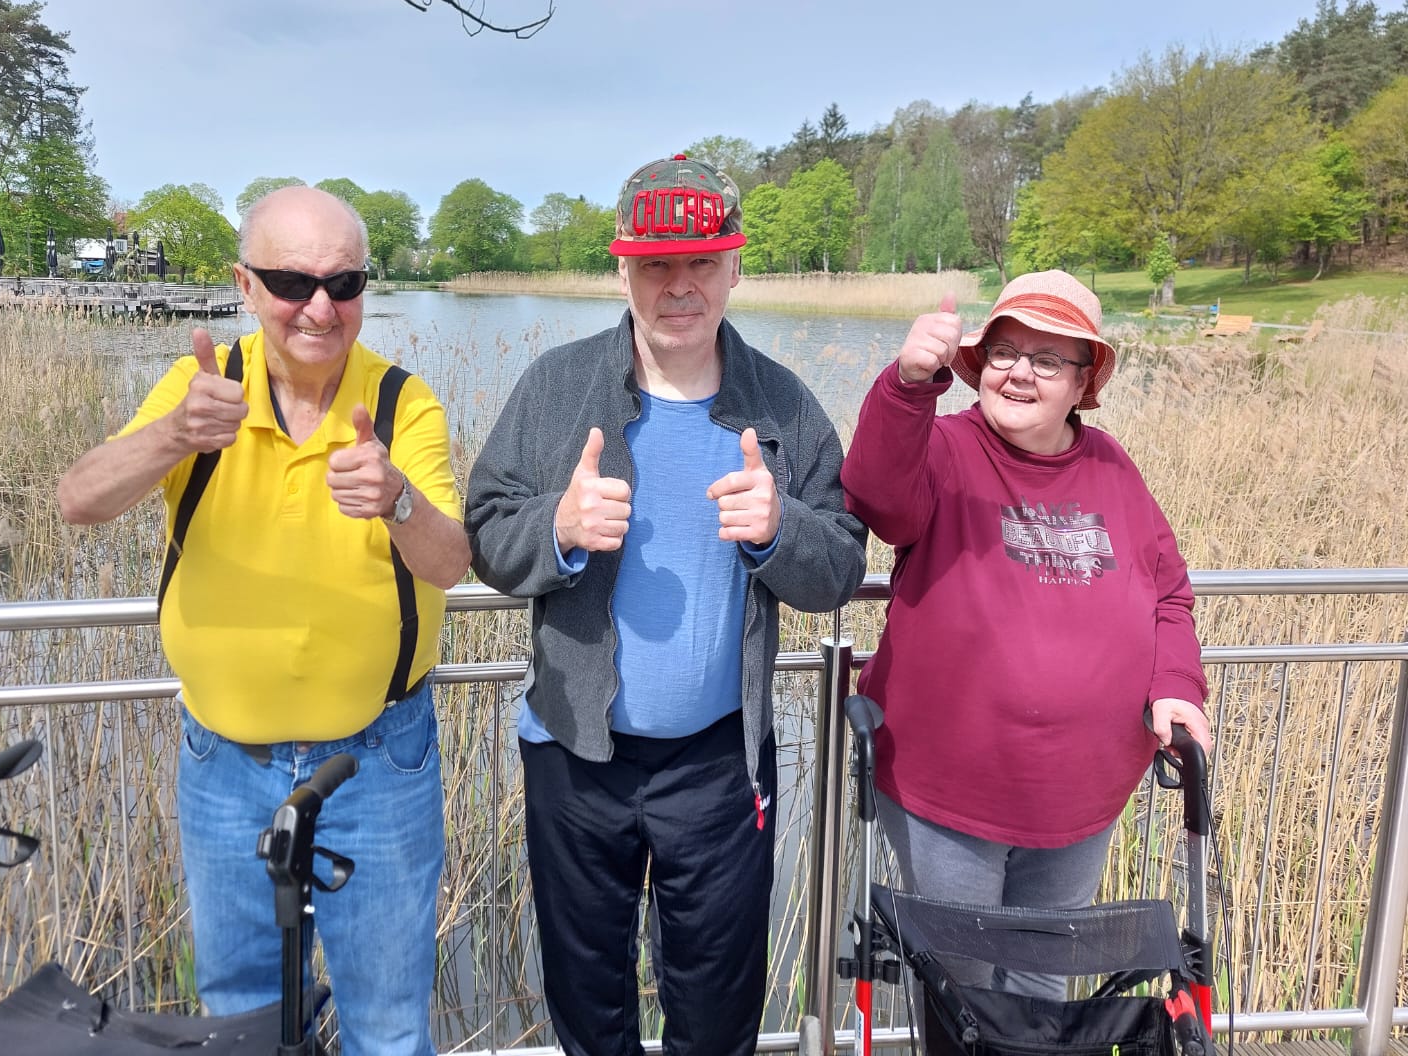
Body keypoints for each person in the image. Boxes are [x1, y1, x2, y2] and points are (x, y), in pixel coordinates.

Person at [465, 154, 868, 1056]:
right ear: (623, 269)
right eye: (655, 264)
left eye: (700, 262)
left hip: (723, 766)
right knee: (587, 1002)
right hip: (575, 754)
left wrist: (779, 531)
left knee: (717, 1010)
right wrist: (561, 527)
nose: (679, 286)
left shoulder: (784, 406)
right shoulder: (555, 388)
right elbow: (487, 534)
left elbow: (841, 565)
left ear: (736, 266)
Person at [57, 186, 468, 1055]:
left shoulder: (402, 403)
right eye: (291, 280)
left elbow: (450, 562)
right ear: (246, 287)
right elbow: (79, 501)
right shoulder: (199, 388)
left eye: (344, 281)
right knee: (237, 1017)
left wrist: (396, 501)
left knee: (389, 1025)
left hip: (377, 760)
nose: (319, 306)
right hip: (223, 762)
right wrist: (173, 435)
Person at [840, 269, 1212, 999]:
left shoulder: (1110, 466)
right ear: (977, 365)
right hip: (949, 792)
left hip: (1082, 795)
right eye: (1005, 351)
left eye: (1047, 360)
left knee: (1044, 987)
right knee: (962, 991)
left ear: (1083, 384)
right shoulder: (944, 448)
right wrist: (911, 381)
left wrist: (1176, 687)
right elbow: (876, 496)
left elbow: (1169, 590)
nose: (1018, 373)